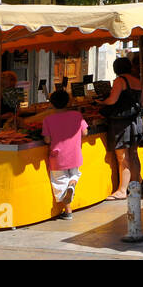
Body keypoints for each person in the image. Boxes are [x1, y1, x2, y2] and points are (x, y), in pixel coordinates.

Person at [98, 57, 143, 199]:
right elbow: (142, 102)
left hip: (121, 123)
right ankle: (136, 185)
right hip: (136, 122)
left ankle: (122, 190)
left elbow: (112, 100)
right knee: (134, 154)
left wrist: (100, 102)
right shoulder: (138, 81)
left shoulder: (120, 81)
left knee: (122, 157)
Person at [41, 89, 88, 220]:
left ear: (52, 103)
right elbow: (85, 133)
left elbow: (47, 140)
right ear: (68, 102)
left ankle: (68, 211)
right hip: (75, 154)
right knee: (75, 174)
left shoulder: (48, 119)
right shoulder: (77, 115)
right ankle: (72, 184)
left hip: (58, 157)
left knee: (60, 182)